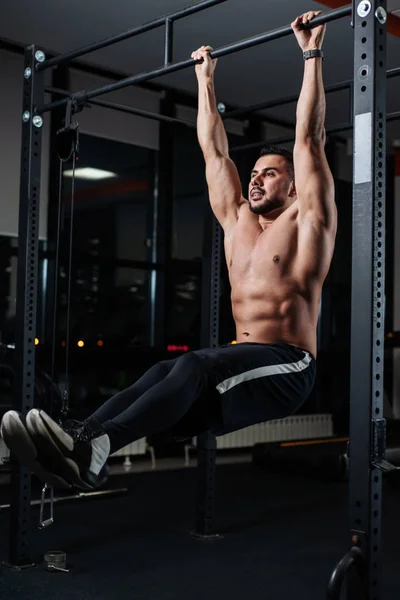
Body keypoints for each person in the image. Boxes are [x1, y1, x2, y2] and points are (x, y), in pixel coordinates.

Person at [1, 10, 336, 491]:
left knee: (194, 364)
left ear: (296, 186)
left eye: (271, 172)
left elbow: (310, 139)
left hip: (287, 367)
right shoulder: (238, 221)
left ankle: (94, 446)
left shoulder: (309, 221)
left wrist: (311, 52)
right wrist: (205, 81)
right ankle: (82, 443)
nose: (257, 177)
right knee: (166, 368)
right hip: (239, 363)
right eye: (255, 171)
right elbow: (215, 153)